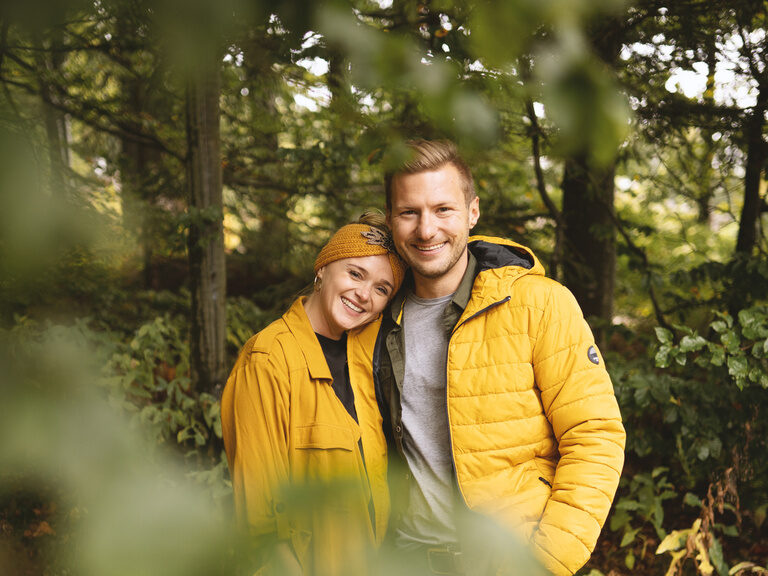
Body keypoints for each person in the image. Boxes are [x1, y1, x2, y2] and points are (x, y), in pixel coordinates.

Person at [375, 139, 626, 576]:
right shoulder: (376, 316)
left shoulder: (539, 303)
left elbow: (595, 436)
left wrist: (548, 560)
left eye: (443, 209)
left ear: (473, 212)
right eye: (409, 212)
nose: (426, 229)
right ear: (391, 220)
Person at [221, 212, 406, 576]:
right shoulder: (268, 358)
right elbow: (261, 525)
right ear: (322, 269)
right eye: (355, 273)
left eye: (382, 288)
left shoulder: (368, 360)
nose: (363, 295)